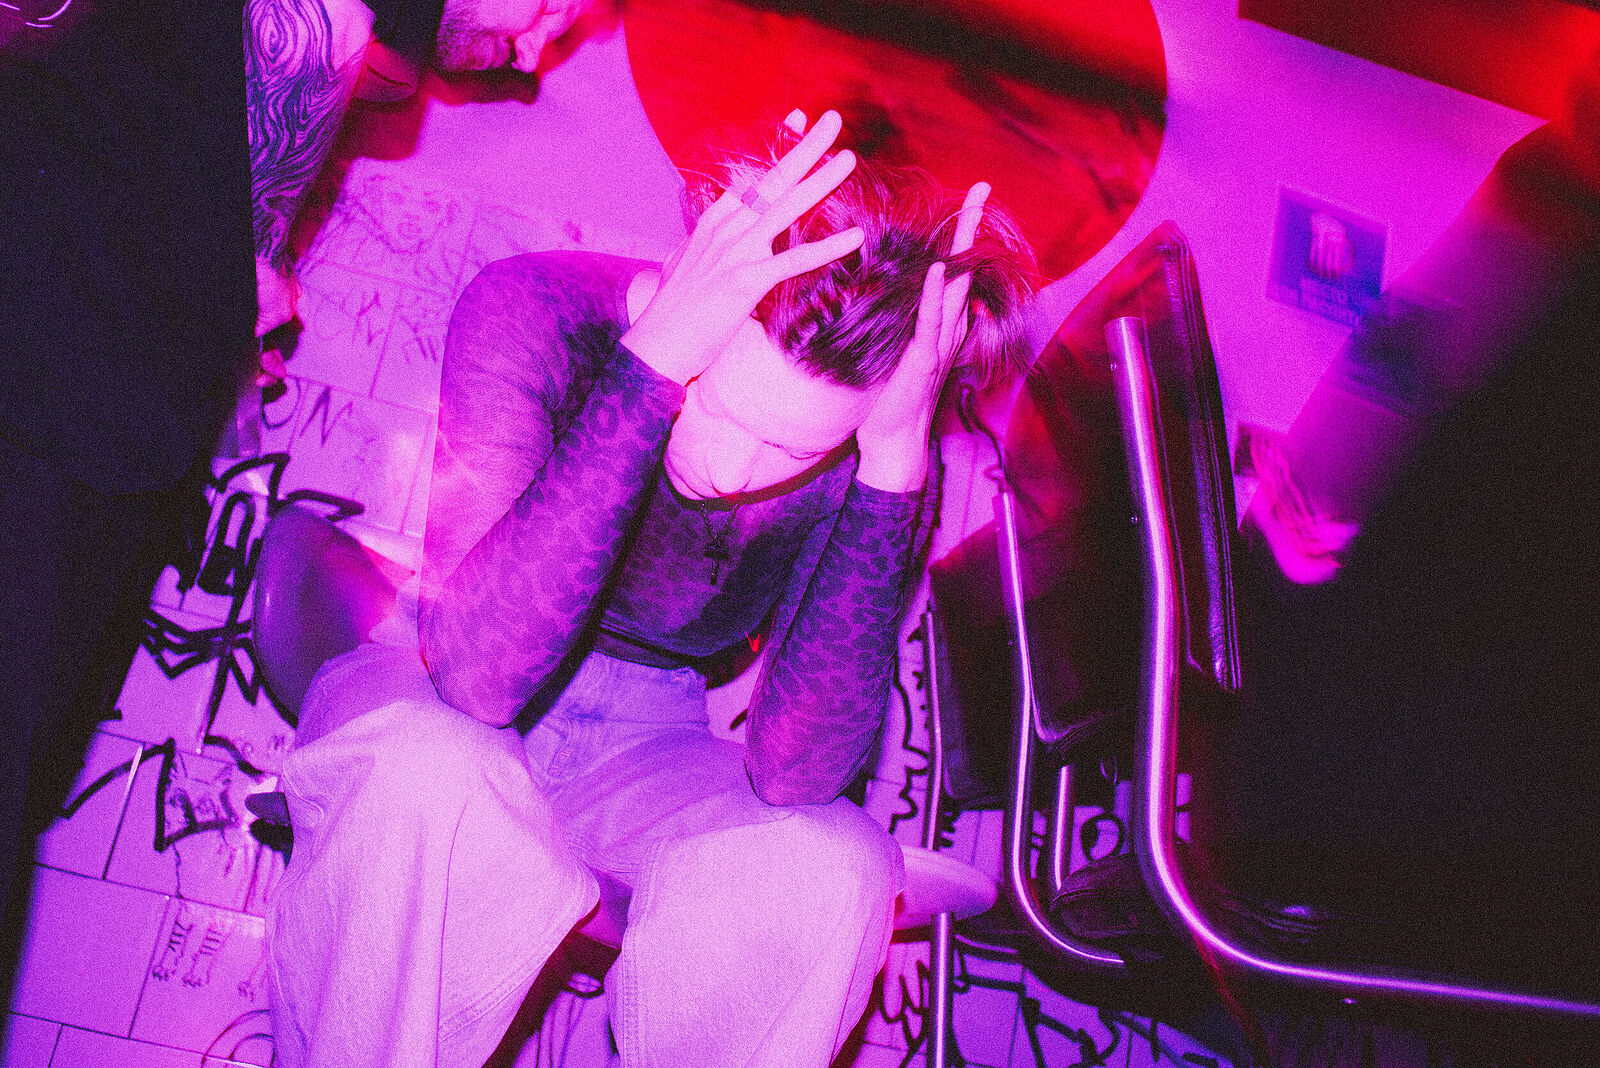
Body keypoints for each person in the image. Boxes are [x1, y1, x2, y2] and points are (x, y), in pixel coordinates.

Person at [265, 110, 1037, 1067]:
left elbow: (794, 777)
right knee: (429, 770)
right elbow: (474, 679)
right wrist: (654, 368)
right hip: (434, 670)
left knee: (833, 868)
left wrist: (889, 469)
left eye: (792, 449)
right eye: (723, 411)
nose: (735, 471)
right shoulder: (535, 309)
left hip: (648, 740)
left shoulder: (866, 447)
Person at [0, 0, 591, 1013]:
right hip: (55, 375)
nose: (534, 56)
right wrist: (237, 282)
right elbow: (319, 20)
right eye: (551, 10)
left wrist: (229, 301)